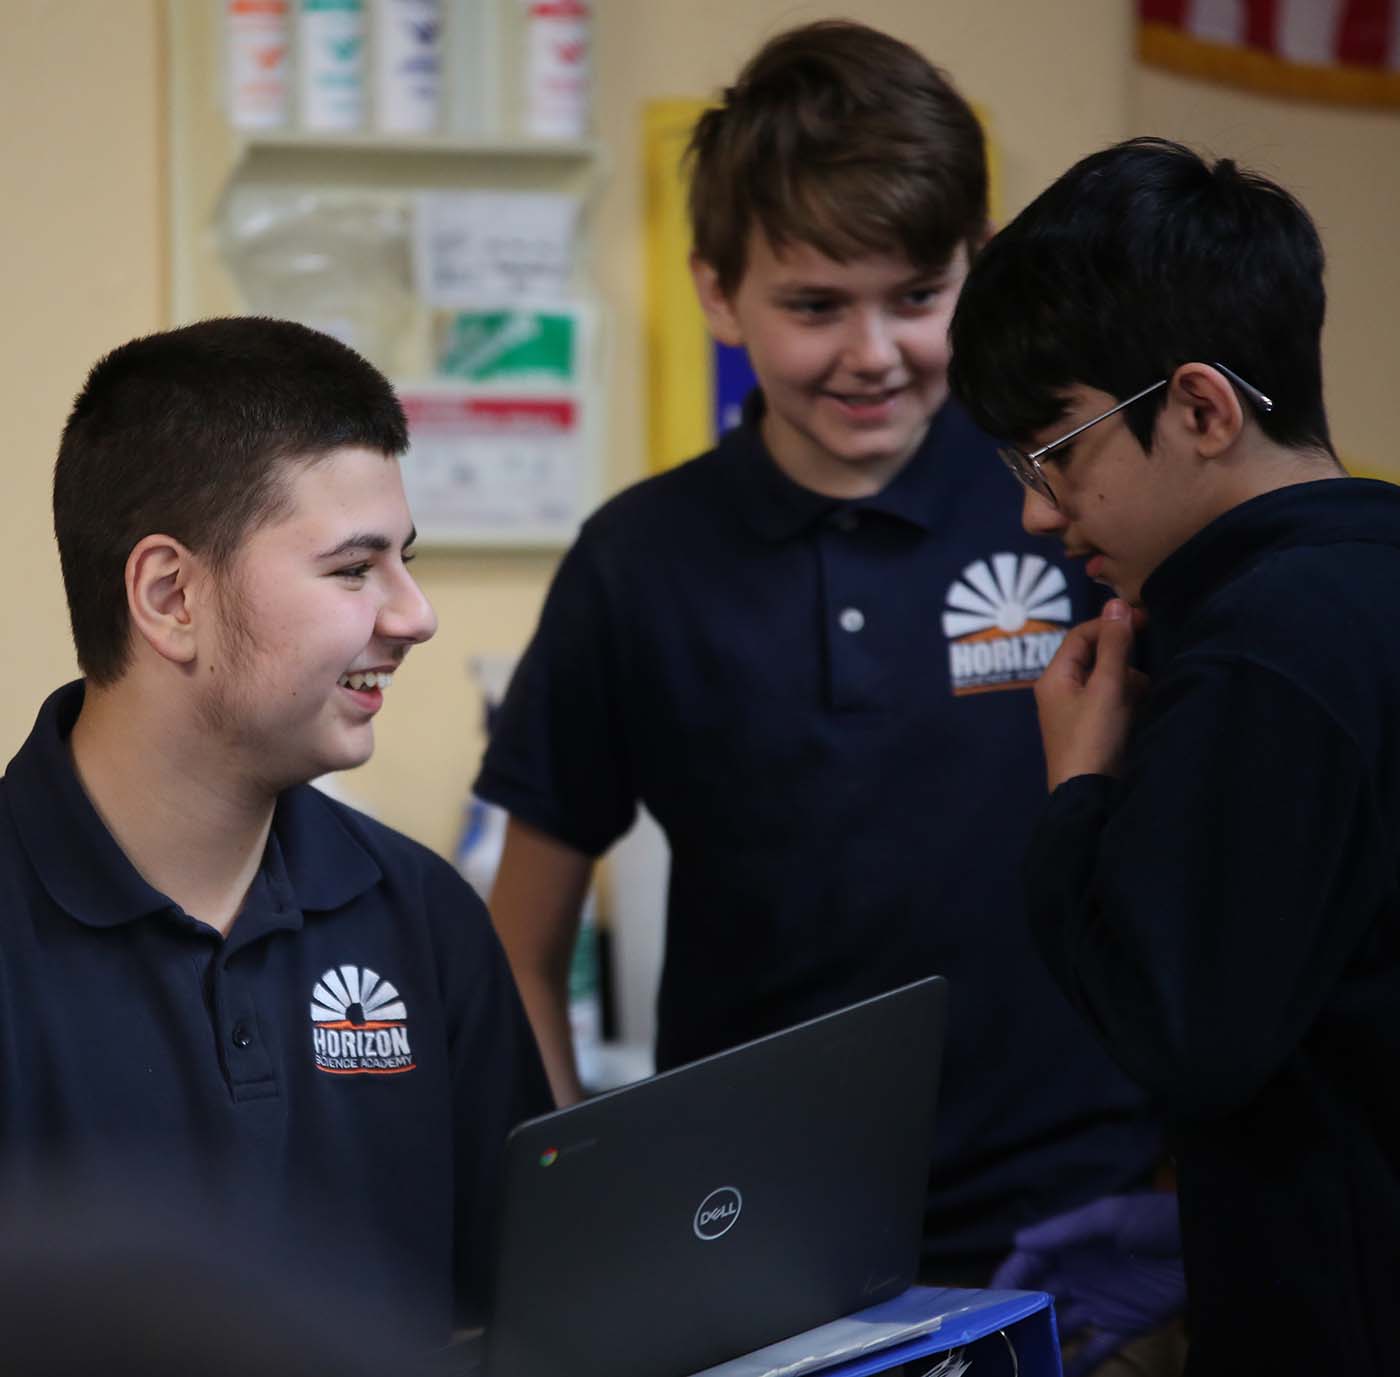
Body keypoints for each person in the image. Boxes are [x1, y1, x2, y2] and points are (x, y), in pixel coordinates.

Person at [475, 20, 1165, 1302]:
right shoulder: (636, 561)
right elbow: (521, 941)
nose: (871, 354)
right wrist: (578, 1213)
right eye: (811, 306)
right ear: (715, 290)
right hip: (753, 1255)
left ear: (977, 268)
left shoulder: (1083, 503)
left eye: (917, 296)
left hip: (1086, 1236)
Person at [0, 317, 551, 1355]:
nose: (415, 614)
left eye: (407, 561)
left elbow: (515, 1318)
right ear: (171, 598)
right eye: (354, 570)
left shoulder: (423, 920)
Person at [948, 137, 1400, 1375]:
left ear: (1199, 409)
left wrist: (1079, 793)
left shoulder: (1260, 647)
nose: (1037, 514)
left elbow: (1184, 1030)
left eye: (1057, 455)